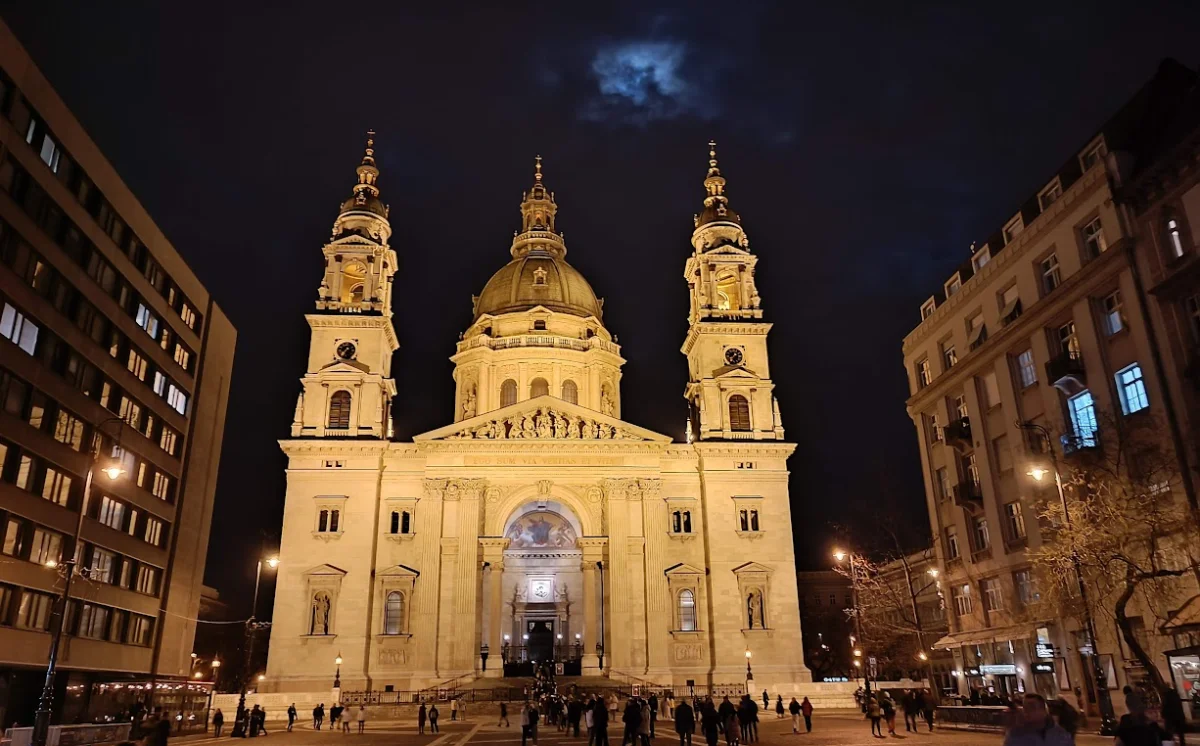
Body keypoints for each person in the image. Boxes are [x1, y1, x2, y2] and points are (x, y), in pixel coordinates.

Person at [1003, 693, 1072, 746]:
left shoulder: (1060, 734)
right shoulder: (1015, 735)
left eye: (1032, 707)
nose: (1027, 711)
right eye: (1025, 707)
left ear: (1044, 710)